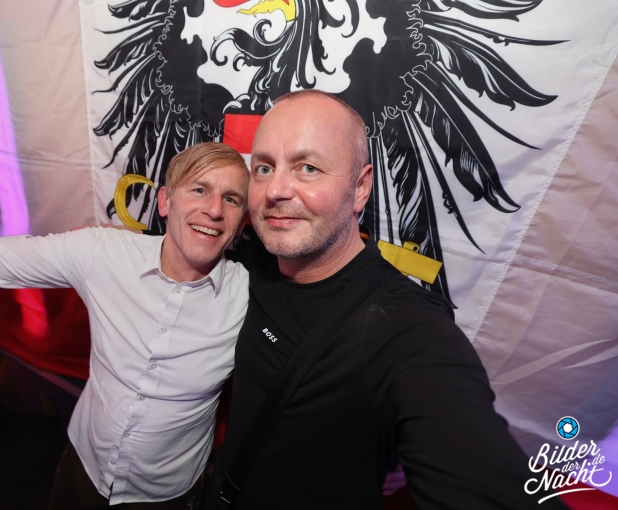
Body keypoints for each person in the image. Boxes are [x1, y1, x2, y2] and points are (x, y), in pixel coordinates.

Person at [0, 100, 249, 508]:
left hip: (166, 494)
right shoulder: (104, 252)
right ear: (166, 201)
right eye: (199, 189)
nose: (213, 209)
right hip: (84, 464)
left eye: (231, 199)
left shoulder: (249, 299)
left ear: (243, 222)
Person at [211, 90, 569, 509]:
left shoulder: (403, 326)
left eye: (308, 168)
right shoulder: (247, 260)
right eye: (264, 167)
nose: (275, 190)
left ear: (360, 187)